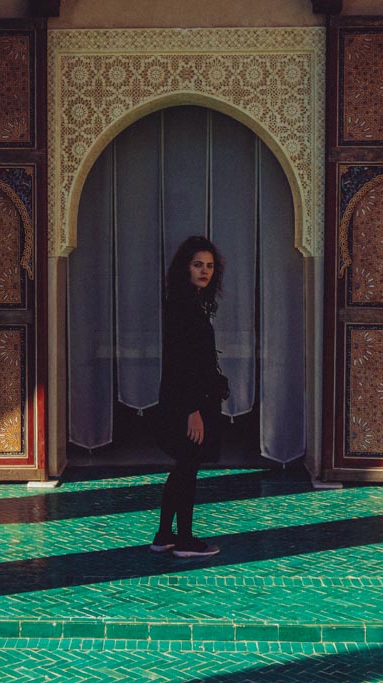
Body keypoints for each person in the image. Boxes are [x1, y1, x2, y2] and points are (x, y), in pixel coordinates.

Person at [150, 234, 228, 558]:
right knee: (188, 468)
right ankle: (184, 541)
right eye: (198, 265)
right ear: (186, 267)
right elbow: (182, 362)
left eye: (209, 266)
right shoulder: (183, 306)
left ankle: (164, 535)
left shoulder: (188, 302)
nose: (204, 271)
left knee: (182, 467)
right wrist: (192, 409)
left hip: (185, 400)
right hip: (187, 403)